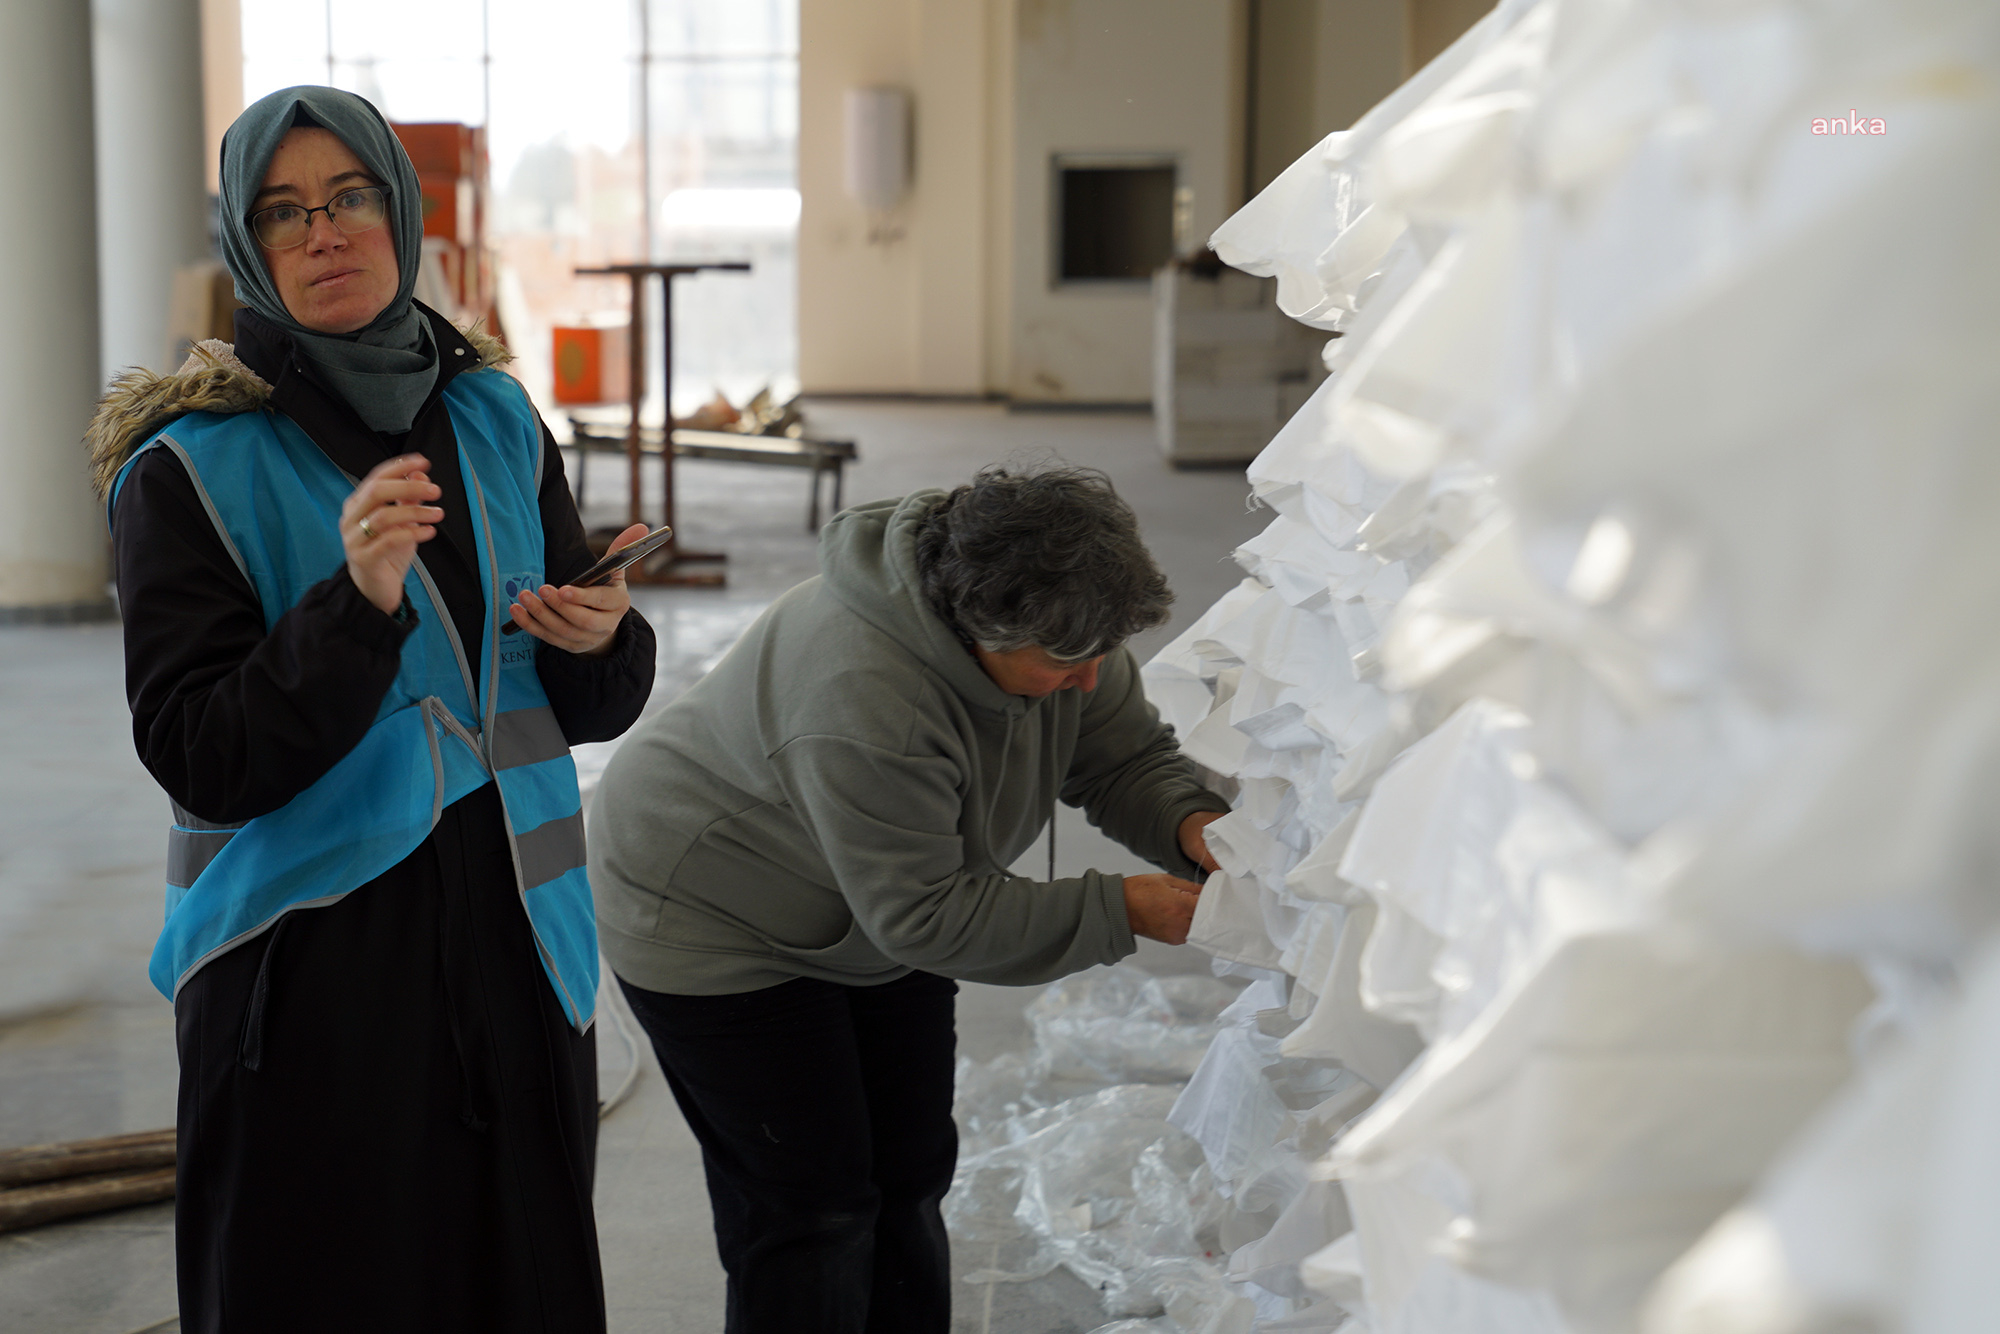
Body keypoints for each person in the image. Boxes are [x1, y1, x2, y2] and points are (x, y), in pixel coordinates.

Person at [85, 87, 654, 1334]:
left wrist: (604, 637)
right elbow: (199, 752)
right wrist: (352, 605)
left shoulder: (494, 418)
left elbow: (578, 695)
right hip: (307, 996)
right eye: (282, 212)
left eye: (348, 196)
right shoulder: (187, 469)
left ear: (398, 212)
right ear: (247, 244)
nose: (324, 231)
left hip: (521, 959)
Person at [589, 465, 1230, 1334]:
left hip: (878, 891)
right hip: (714, 914)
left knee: (909, 1170)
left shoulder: (1065, 628)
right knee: (813, 1206)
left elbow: (1119, 757)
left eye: (1101, 654)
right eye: (1065, 662)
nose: (1089, 679)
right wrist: (1127, 909)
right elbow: (927, 917)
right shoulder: (862, 695)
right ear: (983, 632)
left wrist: (1194, 827)